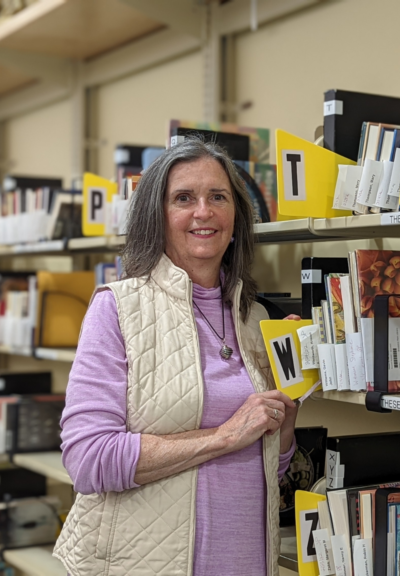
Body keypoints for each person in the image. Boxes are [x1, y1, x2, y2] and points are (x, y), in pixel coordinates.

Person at [53, 138, 298, 576]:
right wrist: (224, 435)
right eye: (183, 198)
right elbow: (88, 459)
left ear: (236, 218)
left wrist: (286, 415)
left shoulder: (256, 318)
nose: (203, 211)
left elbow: (269, 467)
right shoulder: (118, 308)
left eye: (217, 197)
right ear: (158, 216)